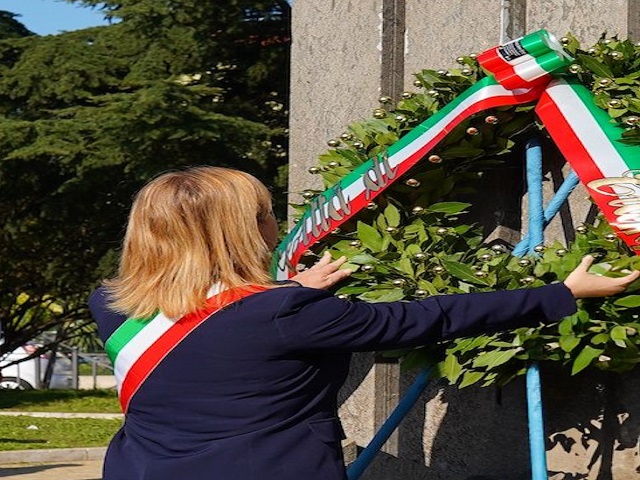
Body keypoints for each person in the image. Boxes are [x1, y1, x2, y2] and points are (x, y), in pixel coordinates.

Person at [89, 165, 639, 480]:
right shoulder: (286, 313)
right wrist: (561, 292)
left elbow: (211, 331)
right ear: (241, 231)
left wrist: (292, 292)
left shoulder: (109, 304)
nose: (273, 221)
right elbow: (431, 316)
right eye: (262, 213)